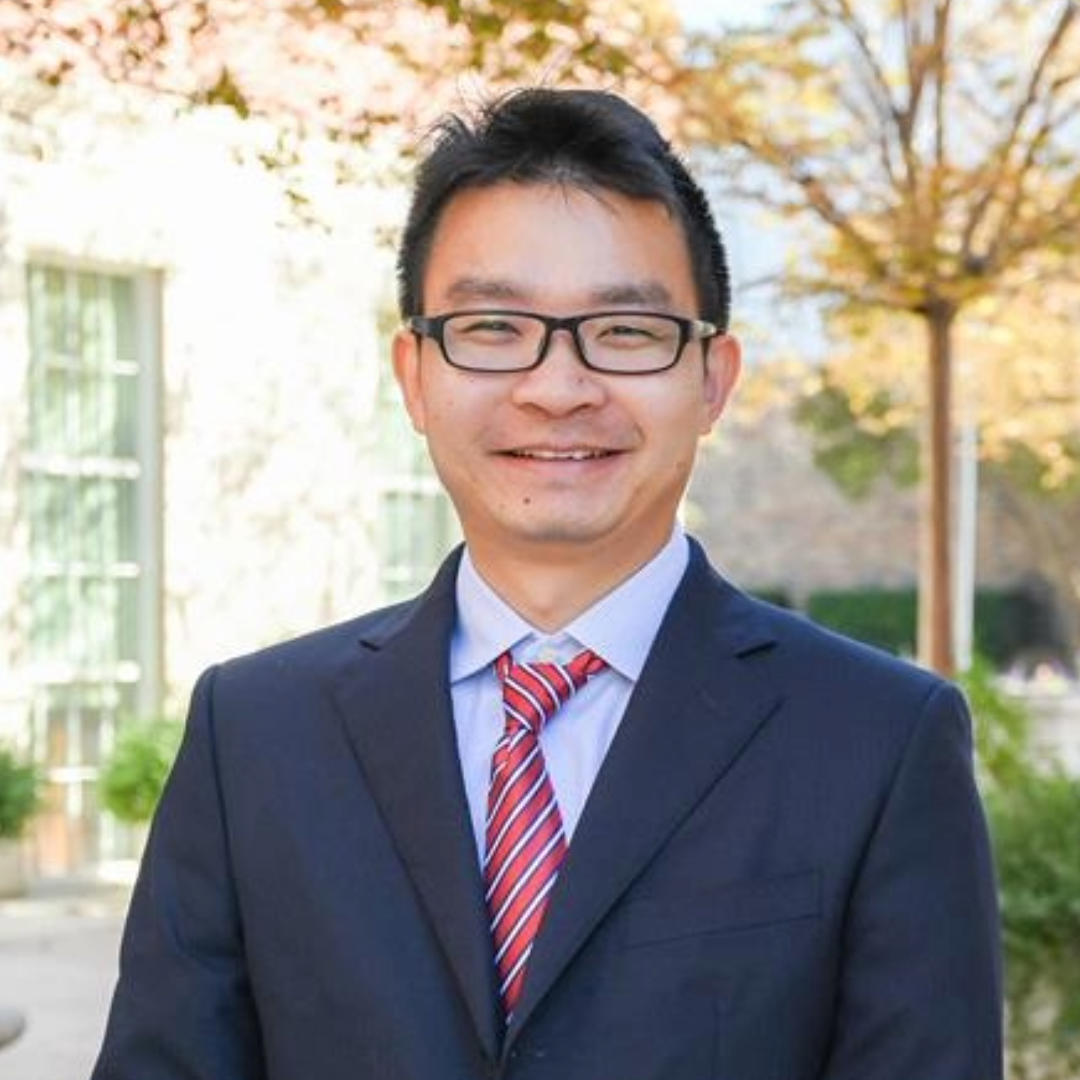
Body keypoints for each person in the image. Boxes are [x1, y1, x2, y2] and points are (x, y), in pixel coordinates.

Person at [92, 88, 1003, 1080]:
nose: (558, 388)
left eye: (626, 331)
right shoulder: (255, 735)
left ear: (713, 379)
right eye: (492, 327)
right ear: (414, 375)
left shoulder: (878, 741)